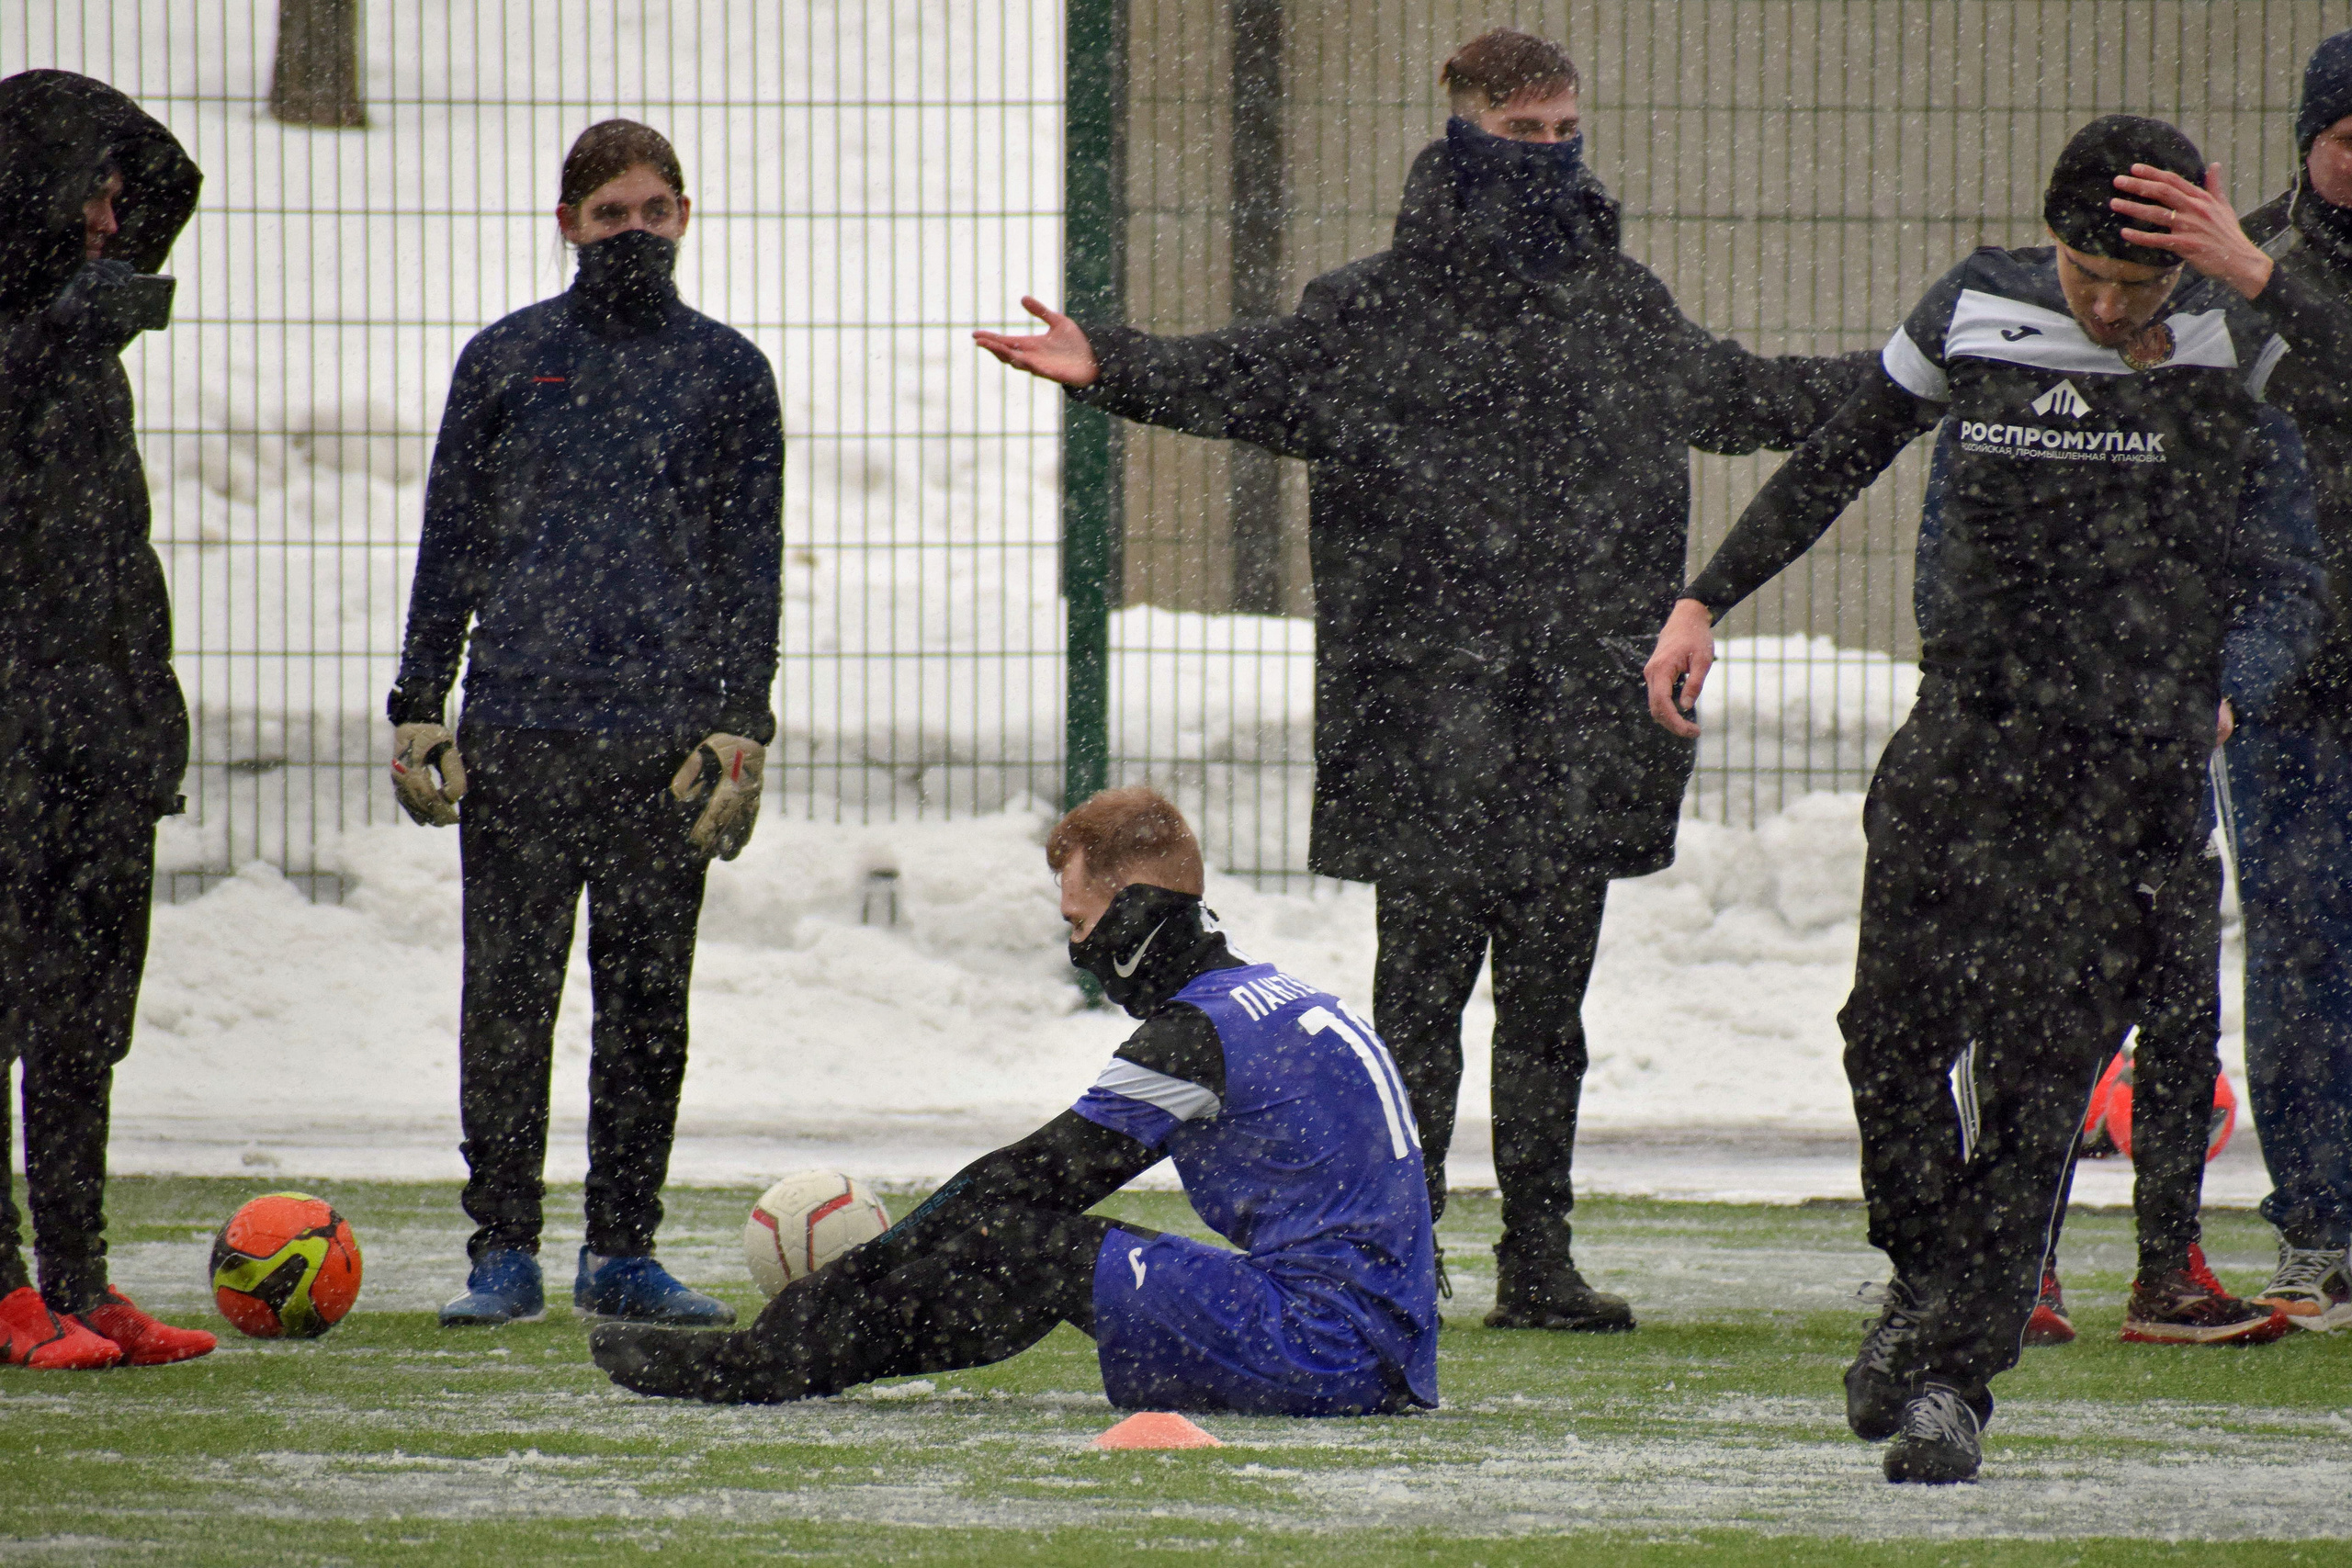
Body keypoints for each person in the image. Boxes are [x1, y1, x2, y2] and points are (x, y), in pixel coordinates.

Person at [975, 29, 1863, 1333]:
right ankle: (1406, 1243)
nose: (1551, 158)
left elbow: (1745, 395)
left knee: (1550, 1004)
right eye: (1523, 138)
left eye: (1566, 135)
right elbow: (1244, 374)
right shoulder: (1368, 310)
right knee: (1420, 1002)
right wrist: (1112, 362)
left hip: (1577, 709)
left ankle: (1539, 1257)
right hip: (1421, 711)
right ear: (1457, 130)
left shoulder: (1622, 306)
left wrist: (1907, 377)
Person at [1645, 116, 2339, 1483]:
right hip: (1964, 741)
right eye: (2086, 273)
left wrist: (2229, 680)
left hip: (2126, 766)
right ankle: (1924, 1289)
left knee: (2036, 1071)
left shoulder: (2236, 336)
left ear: (2183, 263)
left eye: (2132, 286)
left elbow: (2295, 576)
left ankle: (1955, 1376)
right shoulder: (1976, 304)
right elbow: (1842, 452)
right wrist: (1701, 597)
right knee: (1884, 1038)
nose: (2103, 305)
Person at [588, 787, 1438, 1416]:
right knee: (1038, 1251)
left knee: (1018, 1236)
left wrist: (838, 1287)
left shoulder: (1194, 1035)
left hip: (1322, 1349)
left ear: (1137, 913)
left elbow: (1021, 1182)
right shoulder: (1280, 995)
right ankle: (793, 1361)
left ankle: (761, 1367)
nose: (1079, 949)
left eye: (1081, 921)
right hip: (1370, 1338)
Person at [389, 119, 785, 1329]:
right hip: (518, 727)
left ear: (686, 216)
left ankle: (623, 1250)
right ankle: (499, 1247)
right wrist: (418, 703)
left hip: (663, 747)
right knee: (506, 998)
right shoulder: (506, 360)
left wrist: (740, 723)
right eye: (611, 215)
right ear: (567, 224)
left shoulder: (728, 373)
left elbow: (746, 562)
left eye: (654, 212)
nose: (634, 235)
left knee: (647, 1002)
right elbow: (450, 536)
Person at [1914, 412, 2314, 1348]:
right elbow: (1951, 573)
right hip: (2036, 775)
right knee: (2029, 1022)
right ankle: (2017, 1264)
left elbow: (2281, 590)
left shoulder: (2223, 405)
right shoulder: (2015, 405)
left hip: (2166, 774)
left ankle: (2169, 1272)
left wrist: (2229, 684)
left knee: (2182, 1023)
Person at [0, 70, 217, 1371]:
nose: (107, 218)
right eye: (87, 191)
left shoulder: (89, 355)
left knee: (86, 1018)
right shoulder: (30, 349)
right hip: (8, 746)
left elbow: (114, 561)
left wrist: (147, 713)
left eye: (114, 194)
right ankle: (5, 1285)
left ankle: (79, 1278)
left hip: (99, 736)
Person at [2227, 27, 2352, 1331]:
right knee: (2301, 945)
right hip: (2288, 684)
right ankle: (2316, 1221)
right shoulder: (2234, 267)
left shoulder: (2254, 269)